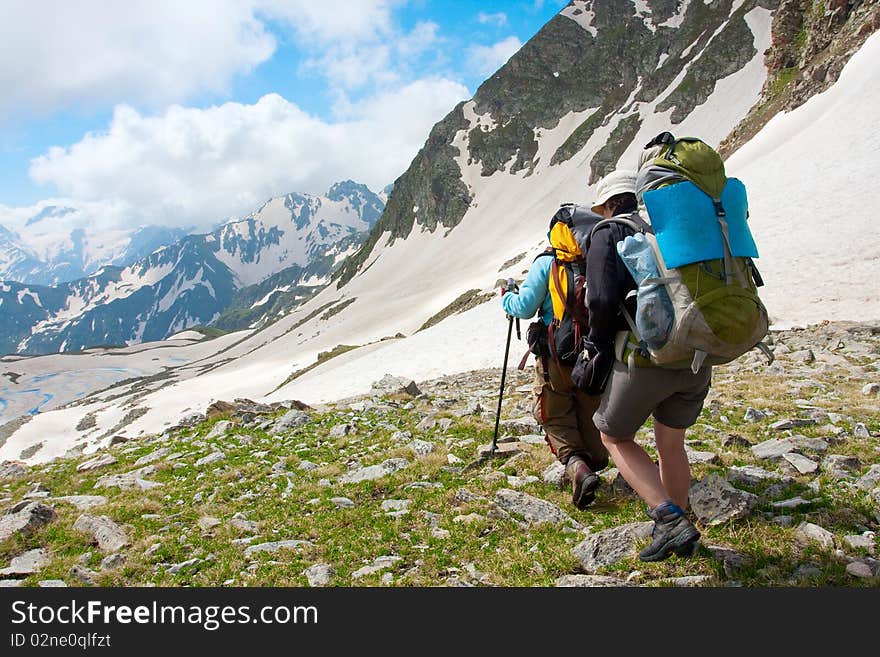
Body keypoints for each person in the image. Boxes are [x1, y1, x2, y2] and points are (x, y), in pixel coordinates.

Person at [577, 167, 705, 561]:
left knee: (614, 437)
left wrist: (596, 346)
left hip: (645, 357)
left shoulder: (608, 231)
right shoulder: (662, 223)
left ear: (607, 204)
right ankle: (680, 529)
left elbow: (599, 300)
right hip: (695, 352)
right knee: (671, 444)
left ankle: (667, 520)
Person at [501, 209, 608, 510]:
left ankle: (577, 466)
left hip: (556, 355)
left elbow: (522, 307)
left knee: (553, 412)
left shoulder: (548, 262)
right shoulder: (595, 257)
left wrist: (506, 296)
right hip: (595, 352)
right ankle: (598, 460)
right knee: (591, 408)